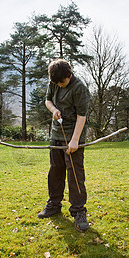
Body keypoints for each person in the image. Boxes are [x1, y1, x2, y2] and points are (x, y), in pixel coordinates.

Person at [37, 59, 90, 232]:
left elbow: (82, 117)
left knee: (75, 174)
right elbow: (48, 101)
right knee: (55, 171)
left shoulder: (79, 88)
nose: (60, 85)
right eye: (57, 83)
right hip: (56, 135)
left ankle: (78, 211)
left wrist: (75, 140)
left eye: (62, 82)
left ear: (69, 74)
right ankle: (53, 205)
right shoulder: (54, 82)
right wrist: (54, 110)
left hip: (74, 135)